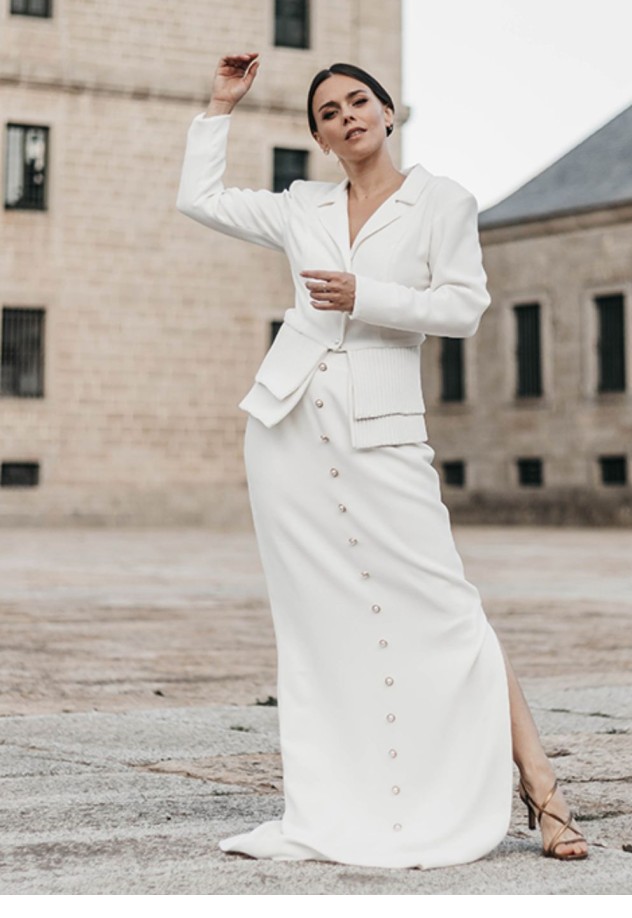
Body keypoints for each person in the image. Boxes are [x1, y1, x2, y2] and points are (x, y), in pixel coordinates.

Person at [176, 52, 588, 870]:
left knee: (449, 607)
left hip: (385, 432)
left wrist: (368, 295)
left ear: (389, 112)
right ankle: (350, 797)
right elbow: (200, 198)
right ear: (320, 139)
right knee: (320, 628)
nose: (346, 117)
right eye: (327, 113)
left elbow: (463, 308)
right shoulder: (303, 206)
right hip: (289, 429)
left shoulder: (444, 202)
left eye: (358, 101)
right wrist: (222, 103)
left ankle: (543, 791)